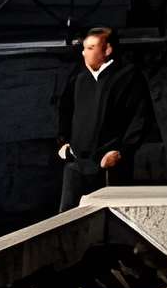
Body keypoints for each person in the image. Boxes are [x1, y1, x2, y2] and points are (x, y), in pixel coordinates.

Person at [53, 26, 158, 209]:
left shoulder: (128, 76)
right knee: (68, 215)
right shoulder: (79, 77)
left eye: (91, 48)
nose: (84, 53)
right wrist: (64, 142)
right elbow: (65, 110)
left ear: (107, 49)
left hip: (109, 165)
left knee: (108, 215)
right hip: (76, 162)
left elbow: (141, 117)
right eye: (84, 48)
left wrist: (122, 152)